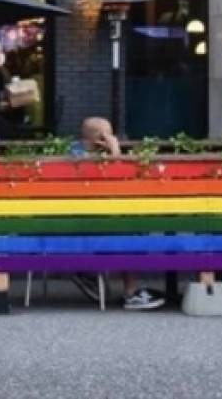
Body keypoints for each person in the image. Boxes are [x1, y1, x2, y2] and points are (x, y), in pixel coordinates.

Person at [69, 117, 163, 311]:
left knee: (128, 227)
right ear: (100, 138)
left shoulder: (73, 152)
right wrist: (115, 151)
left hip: (80, 219)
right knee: (128, 232)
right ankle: (130, 292)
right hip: (87, 222)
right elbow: (119, 181)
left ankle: (87, 272)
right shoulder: (85, 159)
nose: (112, 137)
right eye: (109, 134)